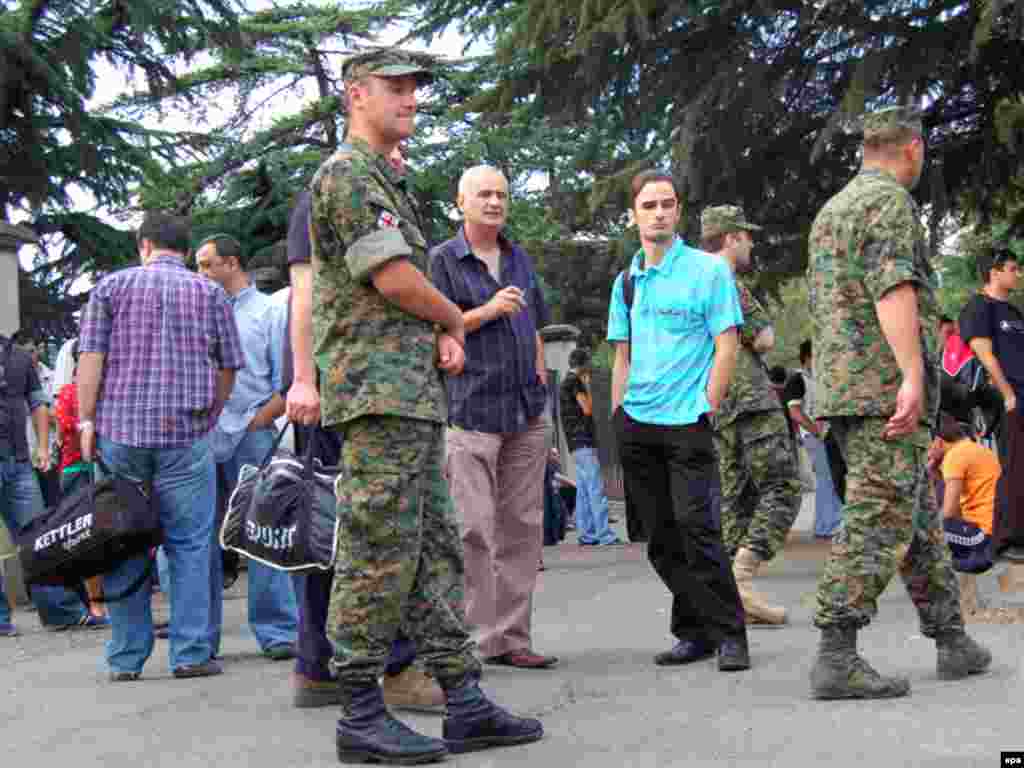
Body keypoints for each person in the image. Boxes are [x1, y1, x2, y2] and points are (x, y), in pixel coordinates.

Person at [310, 49, 542, 763]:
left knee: (435, 548)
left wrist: (435, 332)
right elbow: (393, 277)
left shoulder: (388, 179)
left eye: (415, 87)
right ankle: (358, 709)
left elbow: (401, 288)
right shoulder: (347, 175)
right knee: (377, 548)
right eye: (396, 87)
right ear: (357, 94)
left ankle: (463, 699)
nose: (411, 98)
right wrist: (451, 319)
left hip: (410, 395)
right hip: (377, 396)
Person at [806, 106, 990, 700]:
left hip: (845, 388)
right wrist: (912, 375)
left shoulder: (833, 210)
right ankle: (837, 653)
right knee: (877, 516)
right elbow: (894, 290)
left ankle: (951, 638)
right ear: (913, 148)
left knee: (917, 518)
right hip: (883, 390)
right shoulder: (889, 203)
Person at [283, 153, 444, 715]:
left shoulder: (377, 194)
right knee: (377, 526)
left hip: (357, 383)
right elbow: (304, 293)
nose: (400, 155)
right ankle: (393, 667)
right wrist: (304, 379)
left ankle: (317, 665)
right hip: (351, 387)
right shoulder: (336, 189)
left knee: (334, 526)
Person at [78, 211, 244, 681]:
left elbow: (91, 358)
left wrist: (86, 419)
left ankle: (125, 659)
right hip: (186, 436)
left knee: (121, 543)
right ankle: (190, 654)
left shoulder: (110, 288)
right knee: (190, 546)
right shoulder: (210, 293)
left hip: (120, 435)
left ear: (144, 245)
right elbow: (229, 364)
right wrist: (212, 412)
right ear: (186, 251)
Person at [607, 170, 750, 672]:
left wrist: (708, 404)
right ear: (634, 216)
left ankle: (731, 634)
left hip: (687, 420)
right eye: (649, 206)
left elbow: (727, 344)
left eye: (667, 204)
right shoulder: (626, 281)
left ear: (679, 212)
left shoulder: (708, 272)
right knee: (661, 541)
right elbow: (621, 356)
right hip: (637, 423)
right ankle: (694, 632)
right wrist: (618, 413)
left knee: (699, 529)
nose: (659, 213)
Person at [430, 165, 556, 669]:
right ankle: (474, 642)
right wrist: (487, 311)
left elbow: (536, 328)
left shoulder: (519, 258)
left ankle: (512, 638)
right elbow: (432, 331)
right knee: (472, 531)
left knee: (522, 530)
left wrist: (542, 387)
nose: (495, 202)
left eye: (501, 194)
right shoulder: (441, 261)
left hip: (527, 411)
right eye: (484, 194)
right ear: (460, 203)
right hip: (471, 410)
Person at [194, 233, 299, 662]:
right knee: (199, 536)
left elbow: (286, 378)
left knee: (263, 530)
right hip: (204, 434)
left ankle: (278, 632)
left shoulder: (269, 311)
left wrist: (259, 419)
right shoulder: (198, 311)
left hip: (252, 432)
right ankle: (199, 639)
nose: (200, 272)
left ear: (232, 263)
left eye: (206, 264)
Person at [701, 205, 803, 626]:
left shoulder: (688, 281)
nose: (751, 243)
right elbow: (762, 339)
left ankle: (726, 600)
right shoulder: (725, 279)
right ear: (730, 238)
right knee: (783, 488)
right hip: (750, 399)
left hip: (717, 402)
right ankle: (740, 582)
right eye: (746, 236)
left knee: (735, 500)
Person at [0, 335, 94, 636]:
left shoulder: (17, 356)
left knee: (40, 537)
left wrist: (42, 447)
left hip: (18, 462)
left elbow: (38, 403)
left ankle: (61, 612)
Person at [959, 248, 1024, 560]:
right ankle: (1006, 541)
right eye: (1012, 268)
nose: (1018, 274)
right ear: (994, 272)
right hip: (1006, 399)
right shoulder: (978, 308)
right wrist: (1008, 394)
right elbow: (985, 355)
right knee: (1013, 467)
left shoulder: (1012, 312)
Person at [52, 339, 109, 625]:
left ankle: (103, 602)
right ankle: (96, 604)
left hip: (94, 467)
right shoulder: (70, 392)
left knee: (100, 536)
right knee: (88, 537)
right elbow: (65, 429)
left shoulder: (98, 391)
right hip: (79, 469)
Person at [559, 348, 622, 546]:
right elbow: (587, 409)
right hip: (584, 440)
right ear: (583, 364)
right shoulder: (575, 382)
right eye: (588, 362)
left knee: (584, 490)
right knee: (595, 487)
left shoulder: (564, 383)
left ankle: (587, 534)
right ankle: (604, 534)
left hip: (573, 443)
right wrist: (586, 386)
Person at [789, 341, 842, 538]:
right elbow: (795, 412)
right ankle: (826, 526)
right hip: (814, 436)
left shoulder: (821, 377)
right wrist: (815, 431)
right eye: (817, 355)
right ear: (807, 357)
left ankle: (828, 523)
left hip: (828, 434)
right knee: (825, 478)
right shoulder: (798, 379)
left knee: (832, 477)